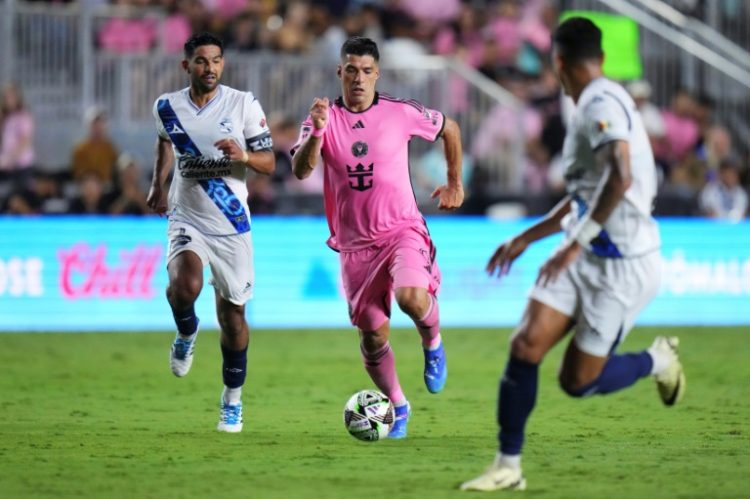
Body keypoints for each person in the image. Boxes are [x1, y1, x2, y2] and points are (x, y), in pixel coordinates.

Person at [460, 18, 685, 491]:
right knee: (525, 345)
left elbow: (620, 177)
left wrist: (574, 243)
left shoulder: (601, 103)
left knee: (577, 381)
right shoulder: (585, 101)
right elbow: (589, 188)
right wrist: (530, 236)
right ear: (599, 58)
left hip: (622, 266)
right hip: (581, 252)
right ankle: (508, 466)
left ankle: (657, 361)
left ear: (557, 62)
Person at [291, 36, 464, 439]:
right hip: (354, 246)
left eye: (367, 71)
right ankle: (399, 406)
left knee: (412, 298)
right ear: (339, 72)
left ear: (377, 74)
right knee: (372, 337)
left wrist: (454, 182)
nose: (359, 78)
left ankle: (433, 341)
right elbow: (301, 170)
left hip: (402, 229)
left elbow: (449, 128)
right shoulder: (321, 118)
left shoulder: (400, 112)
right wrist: (316, 132)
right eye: (351, 70)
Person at [147, 32, 275, 433]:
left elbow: (270, 162)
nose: (211, 68)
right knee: (184, 285)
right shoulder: (166, 106)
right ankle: (186, 330)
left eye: (216, 60)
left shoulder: (243, 104)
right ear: (187, 66)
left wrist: (245, 156)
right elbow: (165, 141)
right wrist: (157, 183)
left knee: (233, 315)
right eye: (202, 61)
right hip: (188, 216)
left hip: (232, 224)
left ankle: (232, 399)